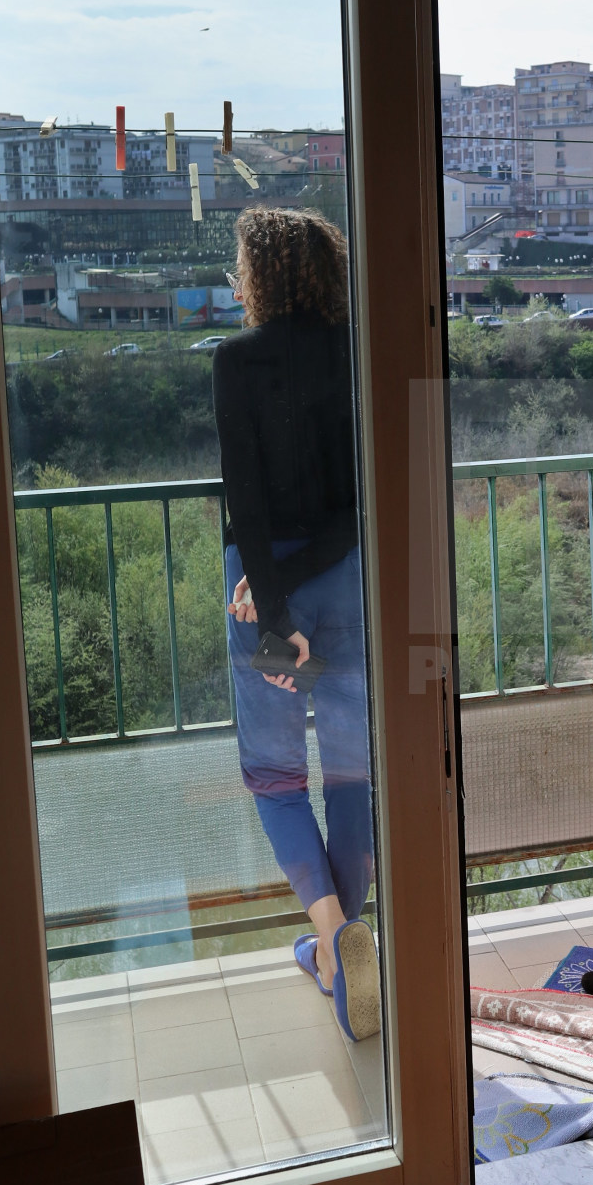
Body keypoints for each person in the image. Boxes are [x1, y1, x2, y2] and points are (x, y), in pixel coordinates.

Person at [213, 205, 379, 1042]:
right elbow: (358, 506)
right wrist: (308, 581)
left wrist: (271, 606)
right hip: (349, 575)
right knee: (352, 769)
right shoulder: (358, 354)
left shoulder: (237, 360)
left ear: (261, 275)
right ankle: (346, 953)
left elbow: (244, 496)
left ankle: (329, 939)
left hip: (263, 587)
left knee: (277, 777)